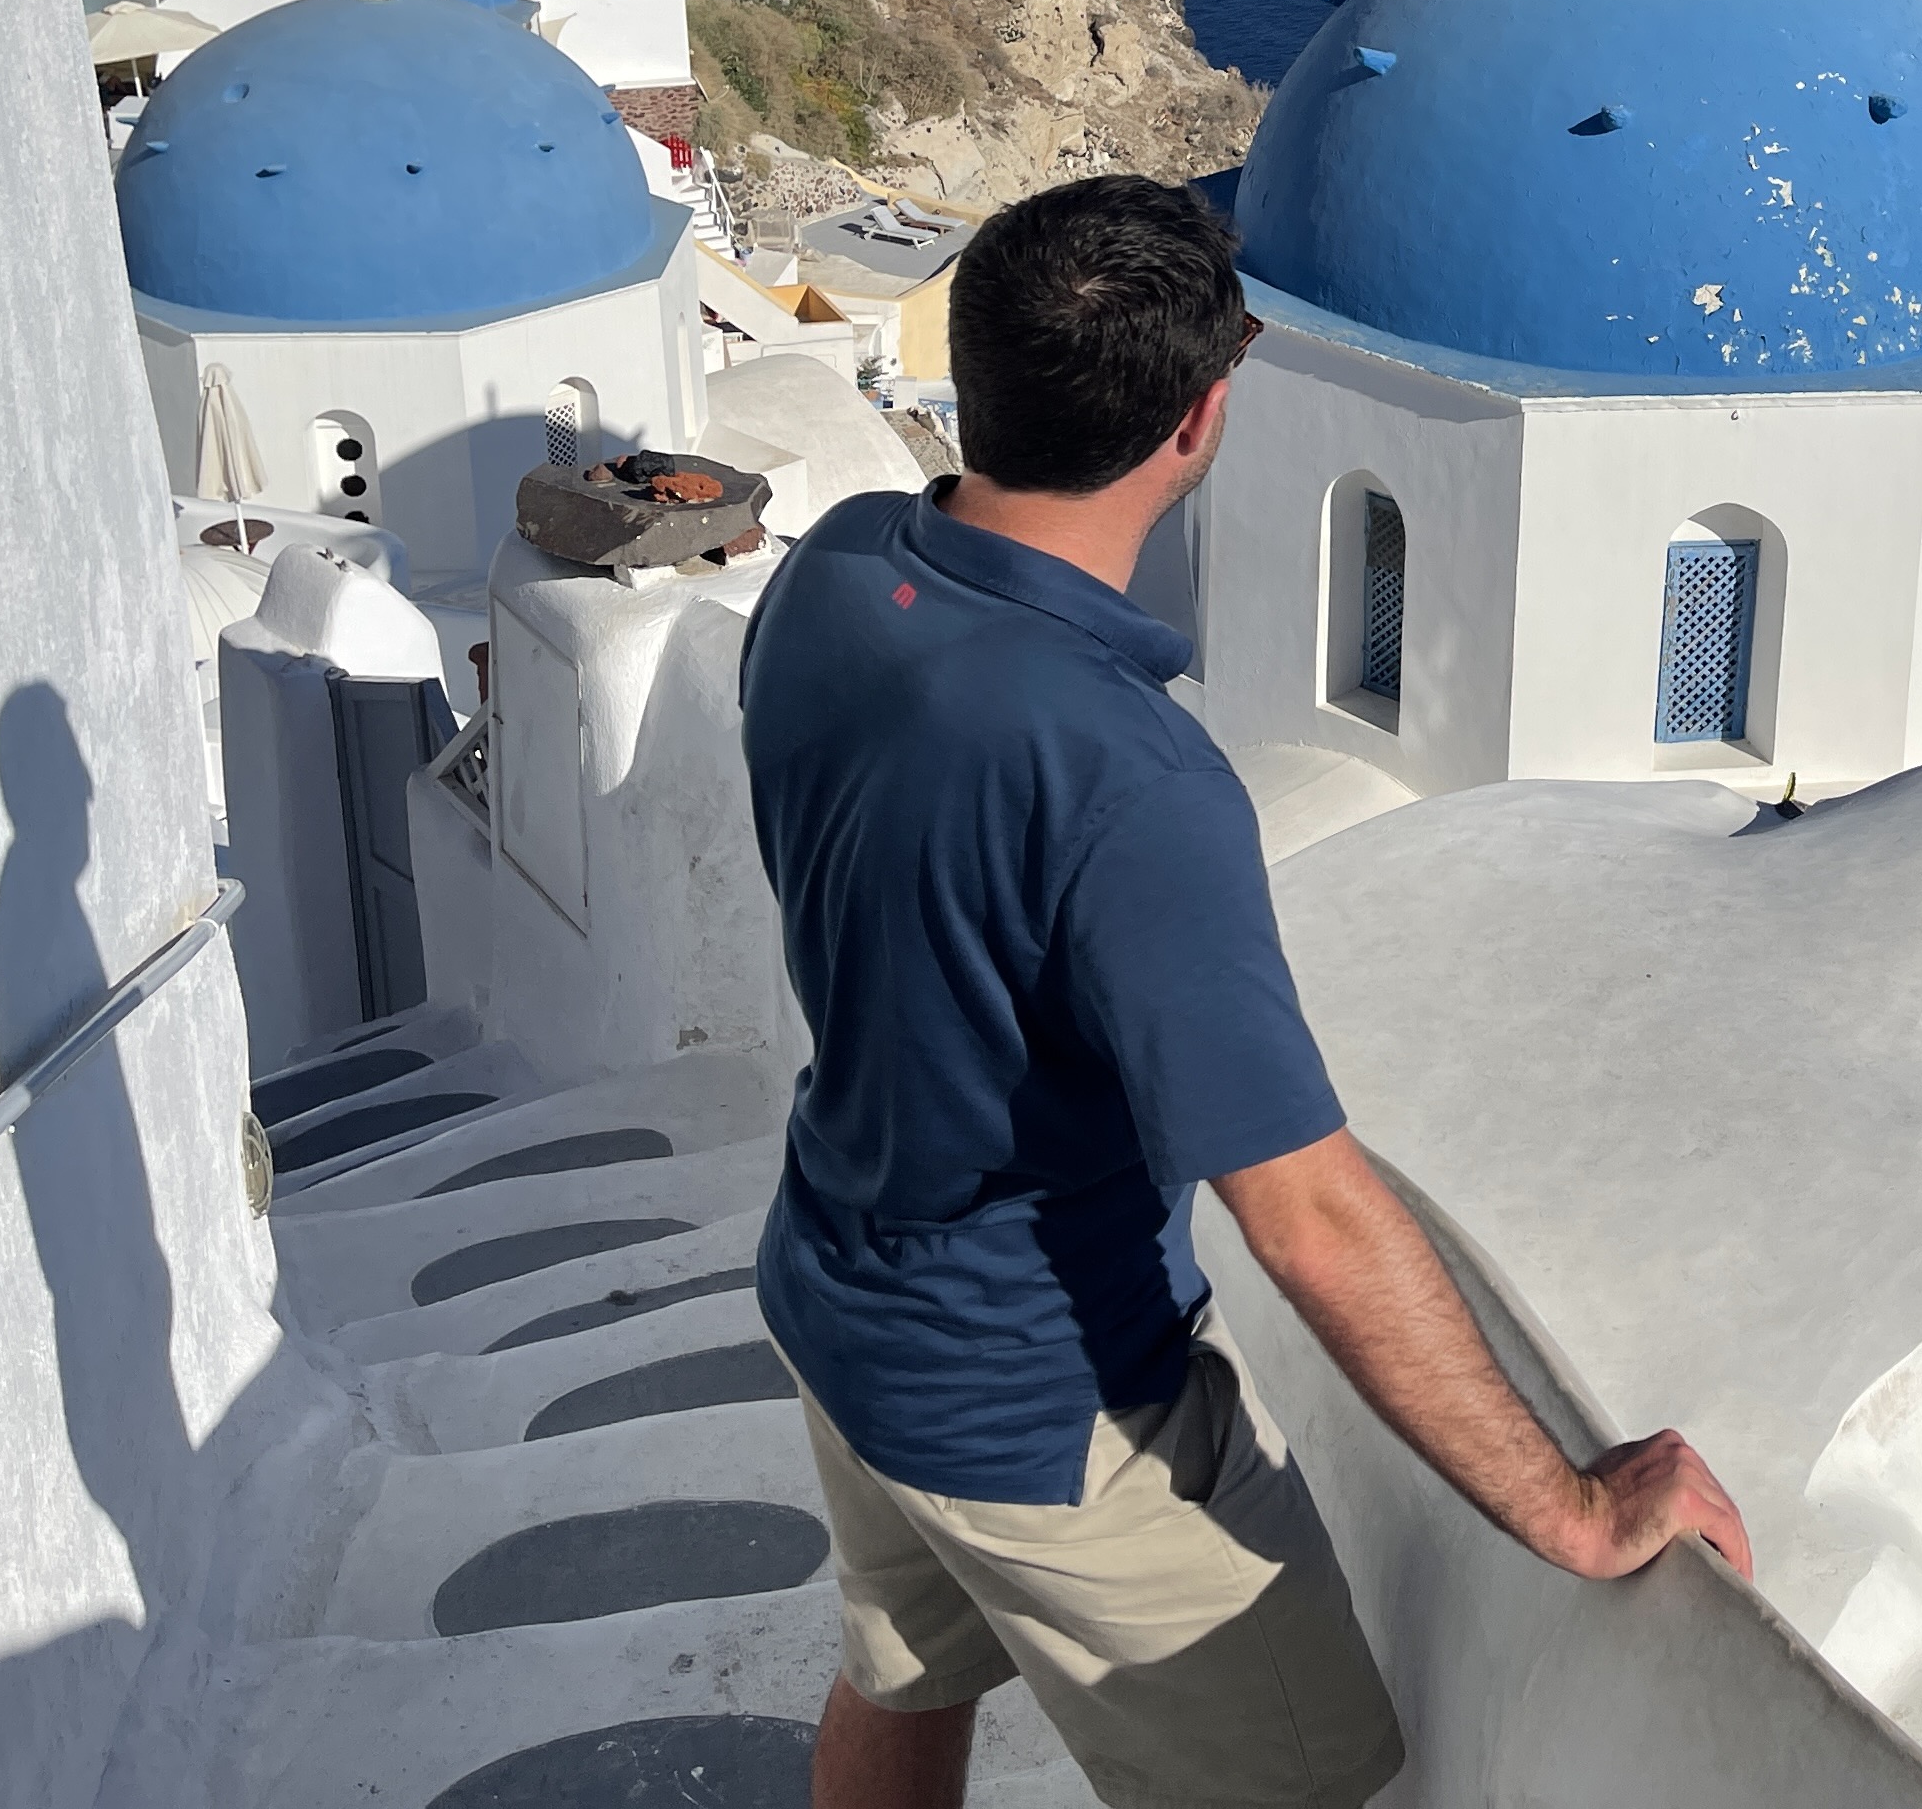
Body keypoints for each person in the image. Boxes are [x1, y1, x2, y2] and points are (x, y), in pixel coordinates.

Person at [744, 174, 1747, 1809]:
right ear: (1201, 421)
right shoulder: (1131, 783)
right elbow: (1308, 1216)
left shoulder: (838, 572)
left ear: (970, 371)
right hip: (1043, 1405)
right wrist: (1568, 1507)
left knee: (900, 1678)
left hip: (838, 1298)